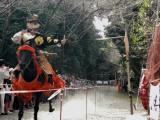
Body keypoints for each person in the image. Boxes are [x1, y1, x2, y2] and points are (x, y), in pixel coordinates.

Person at [11, 14, 63, 84]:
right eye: (33, 28)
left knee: (43, 60)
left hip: (35, 53)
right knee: (22, 61)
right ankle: (14, 74)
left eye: (36, 28)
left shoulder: (39, 36)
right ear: (29, 27)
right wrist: (21, 35)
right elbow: (14, 39)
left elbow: (48, 40)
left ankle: (49, 74)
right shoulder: (22, 33)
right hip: (24, 53)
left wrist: (59, 41)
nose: (34, 30)